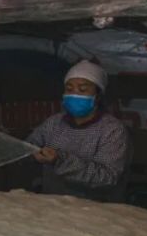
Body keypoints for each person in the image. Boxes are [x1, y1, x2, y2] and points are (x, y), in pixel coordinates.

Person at [26, 60, 131, 202]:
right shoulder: (54, 123)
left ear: (98, 95)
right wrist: (30, 152)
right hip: (52, 205)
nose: (74, 94)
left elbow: (107, 177)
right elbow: (28, 148)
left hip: (94, 209)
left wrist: (59, 160)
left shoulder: (112, 130)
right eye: (69, 89)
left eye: (82, 90)